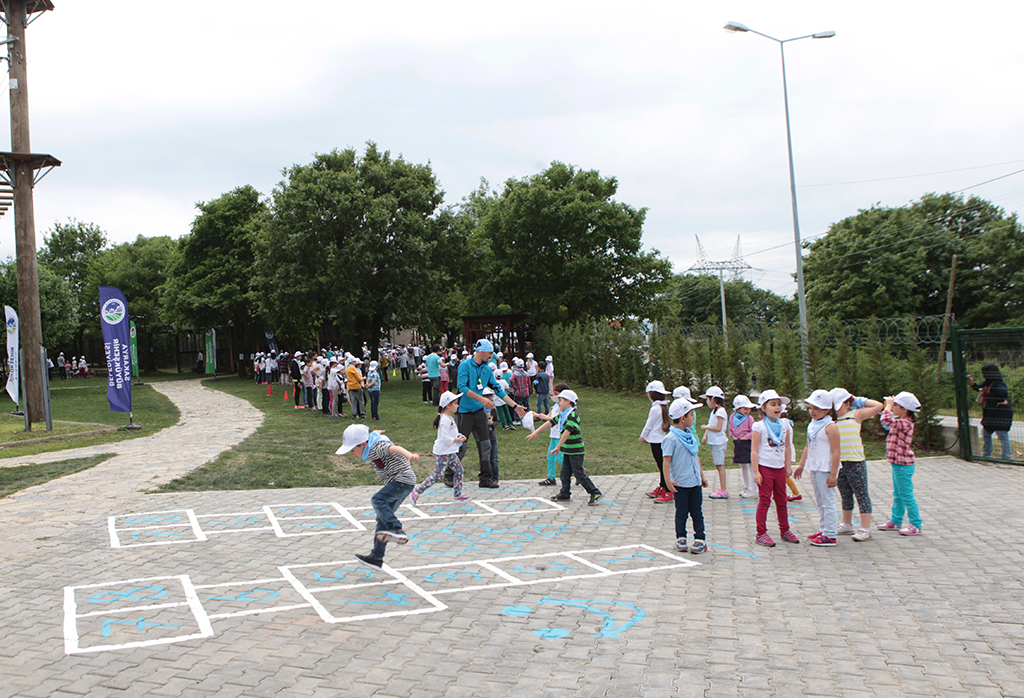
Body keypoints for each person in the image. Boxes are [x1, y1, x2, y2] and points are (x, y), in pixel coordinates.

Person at [336, 424, 419, 570]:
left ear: (363, 444)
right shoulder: (370, 442)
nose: (352, 454)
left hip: (402, 481)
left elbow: (394, 448)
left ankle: (396, 528)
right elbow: (373, 434)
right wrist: (376, 431)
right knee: (382, 519)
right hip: (403, 482)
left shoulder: (376, 448)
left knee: (377, 499)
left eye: (353, 450)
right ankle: (376, 557)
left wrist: (409, 455)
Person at [454, 338, 527, 488]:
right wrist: (481, 399)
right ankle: (450, 475)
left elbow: (498, 389)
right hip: (464, 412)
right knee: (461, 446)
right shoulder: (465, 366)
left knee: (486, 445)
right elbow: (462, 388)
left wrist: (515, 406)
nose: (491, 356)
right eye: (490, 353)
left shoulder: (486, 369)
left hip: (479, 412)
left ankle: (485, 478)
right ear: (481, 352)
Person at [829, 388, 883, 541]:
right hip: (840, 463)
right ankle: (847, 524)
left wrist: (858, 400)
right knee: (845, 494)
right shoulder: (832, 420)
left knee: (861, 494)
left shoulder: (856, 414)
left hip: (856, 462)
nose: (836, 409)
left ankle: (865, 528)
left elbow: (878, 406)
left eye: (839, 405)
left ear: (848, 403)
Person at [751, 390, 799, 547]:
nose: (777, 407)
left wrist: (788, 465)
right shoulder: (759, 427)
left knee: (782, 500)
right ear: (763, 408)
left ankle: (785, 530)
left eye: (779, 404)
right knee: (764, 500)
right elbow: (755, 450)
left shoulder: (784, 424)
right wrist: (756, 471)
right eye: (773, 404)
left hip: (779, 469)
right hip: (765, 468)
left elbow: (787, 446)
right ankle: (761, 533)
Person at [794, 390, 842, 547]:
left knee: (828, 501)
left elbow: (836, 452)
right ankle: (824, 529)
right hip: (814, 466)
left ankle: (830, 534)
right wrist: (801, 465)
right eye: (810, 408)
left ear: (827, 410)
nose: (812, 412)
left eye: (817, 408)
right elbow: (808, 445)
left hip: (825, 468)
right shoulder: (812, 424)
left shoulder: (831, 427)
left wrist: (833, 474)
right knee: (820, 500)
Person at [662, 396, 708, 554]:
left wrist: (701, 476)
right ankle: (681, 537)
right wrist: (668, 481)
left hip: (694, 483)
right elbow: (666, 461)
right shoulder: (671, 439)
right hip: (681, 484)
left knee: (697, 512)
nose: (694, 418)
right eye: (692, 415)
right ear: (683, 418)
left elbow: (695, 457)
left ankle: (700, 538)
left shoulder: (690, 437)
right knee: (681, 513)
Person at [411, 391, 469, 505]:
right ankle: (417, 491)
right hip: (442, 453)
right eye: (456, 403)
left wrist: (458, 436)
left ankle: (457, 494)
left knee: (459, 470)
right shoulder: (444, 420)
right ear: (449, 405)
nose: (458, 406)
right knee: (437, 476)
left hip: (450, 452)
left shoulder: (449, 418)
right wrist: (456, 440)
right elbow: (444, 438)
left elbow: (451, 433)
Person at [878, 391, 923, 536]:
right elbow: (887, 422)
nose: (893, 408)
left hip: (903, 465)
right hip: (897, 464)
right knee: (898, 495)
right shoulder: (901, 422)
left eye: (896, 405)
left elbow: (886, 421)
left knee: (906, 495)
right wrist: (889, 407)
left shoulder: (905, 423)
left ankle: (916, 525)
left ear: (904, 409)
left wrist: (887, 408)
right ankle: (896, 520)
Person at [548, 389, 602, 505]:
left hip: (575, 450)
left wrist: (557, 447)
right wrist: (535, 432)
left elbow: (567, 432)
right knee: (564, 473)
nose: (558, 403)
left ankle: (594, 492)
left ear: (568, 401)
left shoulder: (572, 415)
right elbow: (551, 422)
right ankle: (565, 493)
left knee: (578, 473)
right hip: (568, 449)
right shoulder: (562, 414)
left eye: (560, 400)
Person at [527, 382, 569, 486]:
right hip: (554, 435)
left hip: (560, 434)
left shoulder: (564, 406)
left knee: (559, 458)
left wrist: (541, 416)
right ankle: (551, 478)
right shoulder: (556, 405)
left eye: (556, 393)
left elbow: (556, 419)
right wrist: (539, 415)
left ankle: (578, 471)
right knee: (550, 457)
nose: (553, 395)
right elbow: (549, 416)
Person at [968, 365, 1013, 460]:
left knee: (1002, 435)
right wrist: (971, 382)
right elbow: (979, 388)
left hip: (1001, 414)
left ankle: (1005, 457)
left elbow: (1003, 394)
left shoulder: (998, 384)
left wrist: (999, 401)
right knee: (986, 433)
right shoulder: (989, 383)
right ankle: (986, 455)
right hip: (990, 414)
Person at [640, 380, 674, 504]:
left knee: (662, 466)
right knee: (661, 465)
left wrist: (643, 436)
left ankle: (668, 491)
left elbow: (649, 425)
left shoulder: (655, 409)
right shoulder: (663, 407)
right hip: (660, 439)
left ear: (651, 395)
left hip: (656, 440)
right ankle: (662, 487)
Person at [700, 386, 729, 499]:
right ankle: (722, 489)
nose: (707, 402)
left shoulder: (721, 411)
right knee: (718, 465)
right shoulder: (714, 412)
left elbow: (718, 428)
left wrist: (706, 427)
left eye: (707, 399)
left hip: (719, 442)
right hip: (714, 442)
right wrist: (705, 435)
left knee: (720, 465)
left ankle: (723, 490)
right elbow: (711, 425)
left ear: (713, 399)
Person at [729, 395, 757, 498]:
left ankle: (754, 489)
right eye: (745, 408)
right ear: (738, 409)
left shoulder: (750, 419)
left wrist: (746, 437)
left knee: (751, 466)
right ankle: (747, 487)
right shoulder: (732, 417)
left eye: (748, 408)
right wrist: (733, 437)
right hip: (738, 443)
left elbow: (753, 431)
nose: (747, 411)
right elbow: (730, 429)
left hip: (747, 443)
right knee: (743, 466)